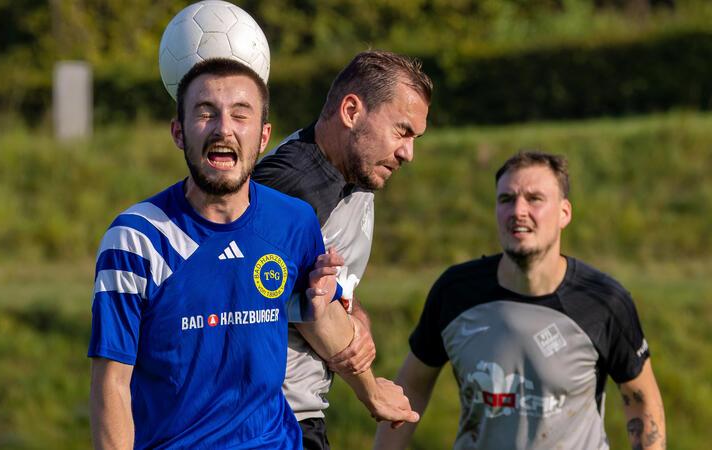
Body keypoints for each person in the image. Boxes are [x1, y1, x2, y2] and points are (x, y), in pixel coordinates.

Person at [88, 58, 415, 449]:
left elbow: (318, 314)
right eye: (205, 113)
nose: (224, 128)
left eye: (240, 115)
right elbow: (112, 385)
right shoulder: (136, 239)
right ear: (178, 132)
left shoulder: (294, 222)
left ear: (263, 136)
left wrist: (369, 385)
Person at [374, 151, 666, 449]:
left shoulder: (603, 301)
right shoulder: (455, 292)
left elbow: (642, 402)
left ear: (564, 213)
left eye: (534, 199)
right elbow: (412, 387)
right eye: (506, 199)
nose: (518, 210)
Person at [253, 50, 432, 449]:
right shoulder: (294, 186)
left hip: (294, 415)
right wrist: (372, 392)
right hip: (266, 419)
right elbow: (310, 311)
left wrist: (357, 315)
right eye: (402, 131)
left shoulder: (356, 171)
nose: (408, 153)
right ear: (352, 111)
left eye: (414, 139)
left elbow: (334, 288)